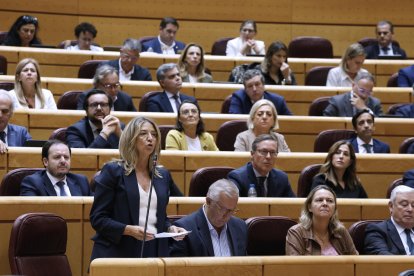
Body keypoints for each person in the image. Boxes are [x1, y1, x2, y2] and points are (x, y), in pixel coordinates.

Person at [90, 116, 185, 260]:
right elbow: (98, 218)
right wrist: (128, 230)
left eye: (154, 134)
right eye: (143, 133)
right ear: (131, 139)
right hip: (119, 252)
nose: (150, 138)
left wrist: (169, 228)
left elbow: (159, 215)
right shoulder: (113, 171)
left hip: (155, 251)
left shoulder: (162, 175)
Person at [170, 179, 247, 256]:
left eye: (231, 210)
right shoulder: (184, 228)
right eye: (222, 209)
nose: (226, 216)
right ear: (208, 201)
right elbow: (178, 267)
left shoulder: (240, 227)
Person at [286, 185, 358, 255]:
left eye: (330, 201)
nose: (325, 203)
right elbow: (294, 266)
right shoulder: (296, 232)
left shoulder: (340, 231)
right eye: (319, 200)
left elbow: (356, 263)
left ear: (334, 208)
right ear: (309, 207)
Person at [227, 134, 295, 197]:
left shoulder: (282, 178)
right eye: (263, 152)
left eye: (272, 152)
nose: (268, 157)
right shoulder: (237, 177)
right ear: (252, 154)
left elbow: (292, 206)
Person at [20, 140, 92, 196]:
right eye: (57, 157)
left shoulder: (81, 181)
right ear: (46, 162)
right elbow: (32, 212)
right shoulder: (32, 183)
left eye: (66, 157)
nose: (63, 161)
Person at [364, 185, 414, 255]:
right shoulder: (377, 231)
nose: (410, 209)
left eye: (413, 205)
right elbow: (385, 260)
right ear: (391, 206)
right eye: (404, 204)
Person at [0, 90, 31, 154]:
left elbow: (31, 157)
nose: (0, 115)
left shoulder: (21, 133)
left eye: (4, 111)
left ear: (11, 113)